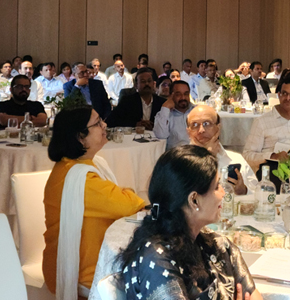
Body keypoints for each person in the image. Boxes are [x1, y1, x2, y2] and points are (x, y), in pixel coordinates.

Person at [118, 146, 262, 300]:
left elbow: (253, 295)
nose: (223, 193)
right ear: (194, 200)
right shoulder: (156, 259)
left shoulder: (218, 245)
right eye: (216, 186)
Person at [42, 107, 145, 298]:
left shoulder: (77, 166)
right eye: (97, 123)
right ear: (80, 137)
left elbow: (121, 200)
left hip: (78, 261)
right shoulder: (80, 179)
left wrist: (124, 194)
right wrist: (125, 193)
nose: (104, 125)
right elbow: (130, 204)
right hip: (80, 272)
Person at [187, 105, 257, 195]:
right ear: (188, 132)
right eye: (195, 125)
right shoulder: (178, 162)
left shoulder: (236, 159)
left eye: (207, 124)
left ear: (218, 128)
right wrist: (209, 155)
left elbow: (258, 197)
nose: (201, 130)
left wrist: (244, 191)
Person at [154, 80, 196, 149]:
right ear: (171, 96)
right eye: (178, 94)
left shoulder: (196, 111)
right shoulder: (165, 114)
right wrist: (165, 108)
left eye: (186, 94)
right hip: (176, 156)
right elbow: (160, 135)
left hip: (197, 154)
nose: (183, 98)